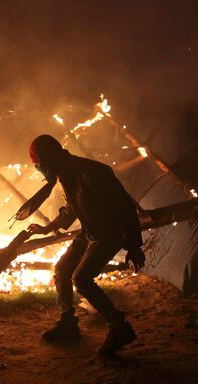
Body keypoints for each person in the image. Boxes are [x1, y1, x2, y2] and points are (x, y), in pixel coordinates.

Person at [26, 134, 145, 356]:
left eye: (39, 166)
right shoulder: (66, 174)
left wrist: (134, 246)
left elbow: (125, 208)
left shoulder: (93, 172)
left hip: (109, 234)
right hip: (89, 233)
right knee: (62, 269)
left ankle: (119, 327)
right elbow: (71, 210)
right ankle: (68, 323)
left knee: (81, 279)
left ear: (49, 158)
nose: (41, 171)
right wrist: (46, 228)